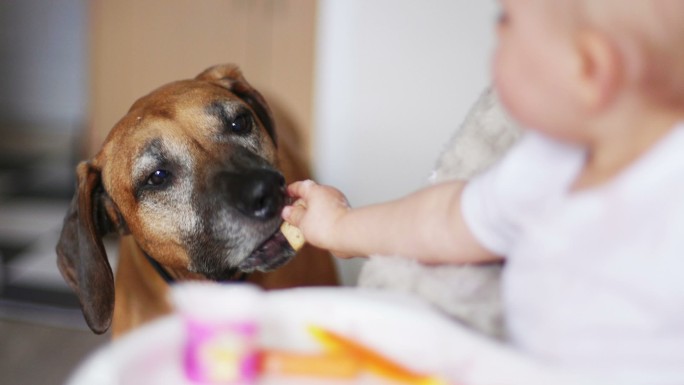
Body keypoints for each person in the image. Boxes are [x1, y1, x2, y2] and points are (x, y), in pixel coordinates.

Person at [283, 0, 684, 383]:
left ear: (589, 68)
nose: (496, 31)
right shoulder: (549, 164)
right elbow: (441, 221)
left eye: (506, 18)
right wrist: (339, 225)